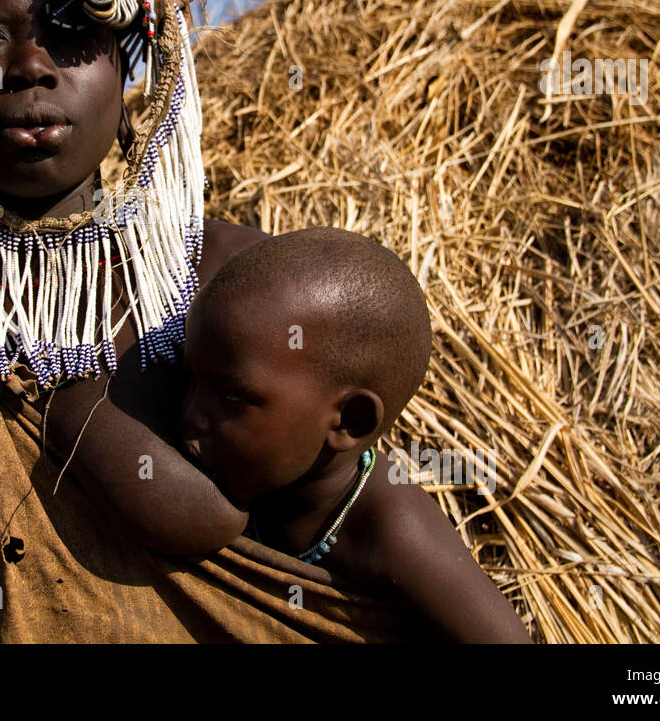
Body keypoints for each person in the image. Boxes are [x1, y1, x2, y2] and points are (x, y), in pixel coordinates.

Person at [0, 0, 412, 643]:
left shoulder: (229, 286)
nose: (29, 68)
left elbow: (326, 519)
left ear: (131, 84)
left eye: (74, 35)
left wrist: (53, 401)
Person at [179, 227, 532, 642]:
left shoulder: (395, 532)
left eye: (230, 395)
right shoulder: (242, 454)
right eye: (191, 378)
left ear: (352, 420)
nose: (191, 414)